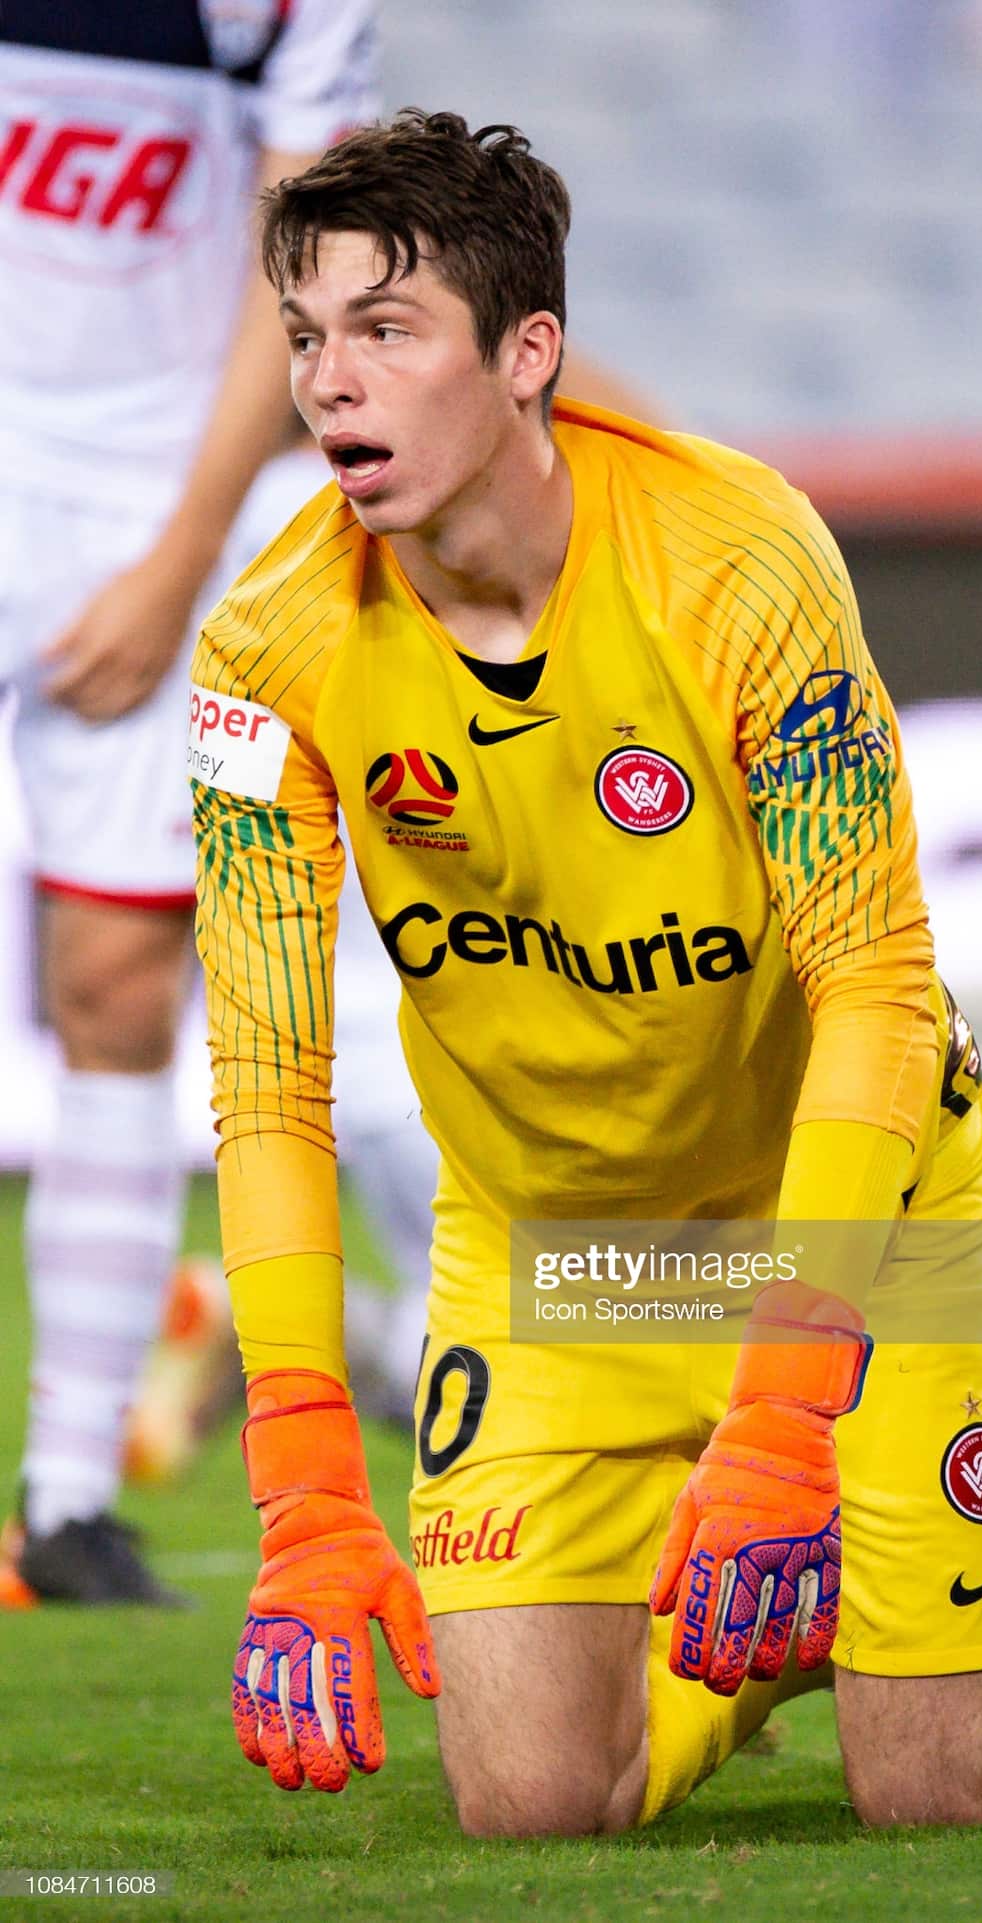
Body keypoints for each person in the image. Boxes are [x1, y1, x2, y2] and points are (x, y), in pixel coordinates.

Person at [192, 109, 982, 1829]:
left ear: (527, 353)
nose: (328, 382)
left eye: (386, 330)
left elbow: (878, 986)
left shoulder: (736, 562)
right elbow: (266, 1076)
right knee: (535, 1805)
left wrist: (783, 1401)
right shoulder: (264, 652)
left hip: (842, 1229)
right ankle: (809, 1608)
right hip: (558, 1258)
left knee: (947, 1793)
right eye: (306, 335)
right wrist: (305, 1481)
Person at [0, 0, 377, 1605]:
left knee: (119, 983)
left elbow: (299, 272)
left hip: (146, 501)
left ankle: (69, 1498)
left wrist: (180, 554)